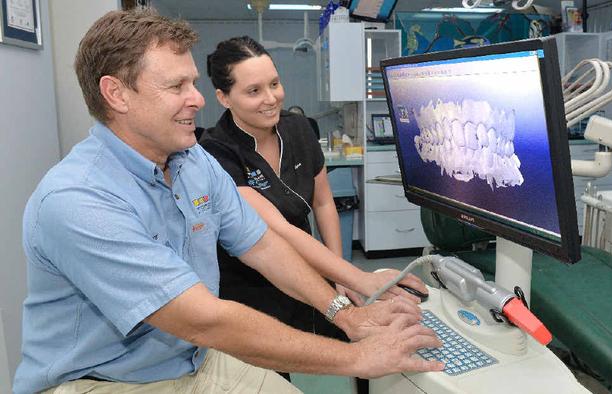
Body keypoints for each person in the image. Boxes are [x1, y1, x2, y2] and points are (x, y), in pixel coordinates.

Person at [13, 8, 443, 394]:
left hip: (193, 357)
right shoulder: (77, 201)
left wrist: (345, 315)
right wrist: (355, 358)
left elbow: (262, 244)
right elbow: (202, 317)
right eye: (176, 85)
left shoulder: (192, 161)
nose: (196, 99)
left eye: (194, 83)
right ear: (117, 94)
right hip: (101, 380)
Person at [200, 36, 428, 346]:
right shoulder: (217, 152)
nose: (271, 98)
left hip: (312, 265)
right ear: (224, 98)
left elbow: (322, 203)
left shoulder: (298, 129)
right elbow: (278, 230)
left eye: (274, 84)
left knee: (355, 339)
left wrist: (337, 275)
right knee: (276, 369)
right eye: (254, 91)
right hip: (253, 282)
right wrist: (358, 276)